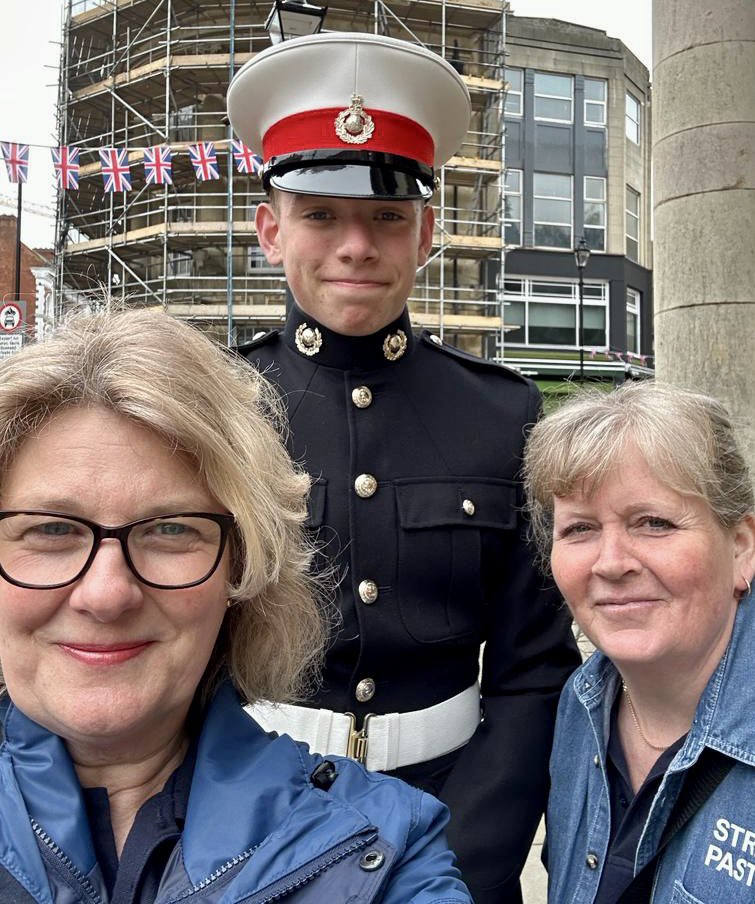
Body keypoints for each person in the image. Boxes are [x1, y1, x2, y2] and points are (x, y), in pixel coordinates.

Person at [227, 31, 581, 903]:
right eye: (320, 214)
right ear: (271, 230)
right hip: (244, 819)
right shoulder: (217, 407)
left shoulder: (503, 413)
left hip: (453, 812)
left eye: (387, 215)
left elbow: (535, 669)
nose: (356, 244)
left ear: (425, 231)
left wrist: (459, 862)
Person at [0, 308, 473, 904]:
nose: (106, 593)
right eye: (50, 530)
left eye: (170, 530)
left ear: (241, 571)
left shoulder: (385, 851)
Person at [523, 381, 755, 903]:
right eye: (580, 529)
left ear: (740, 548)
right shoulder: (581, 706)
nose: (611, 562)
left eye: (653, 523)